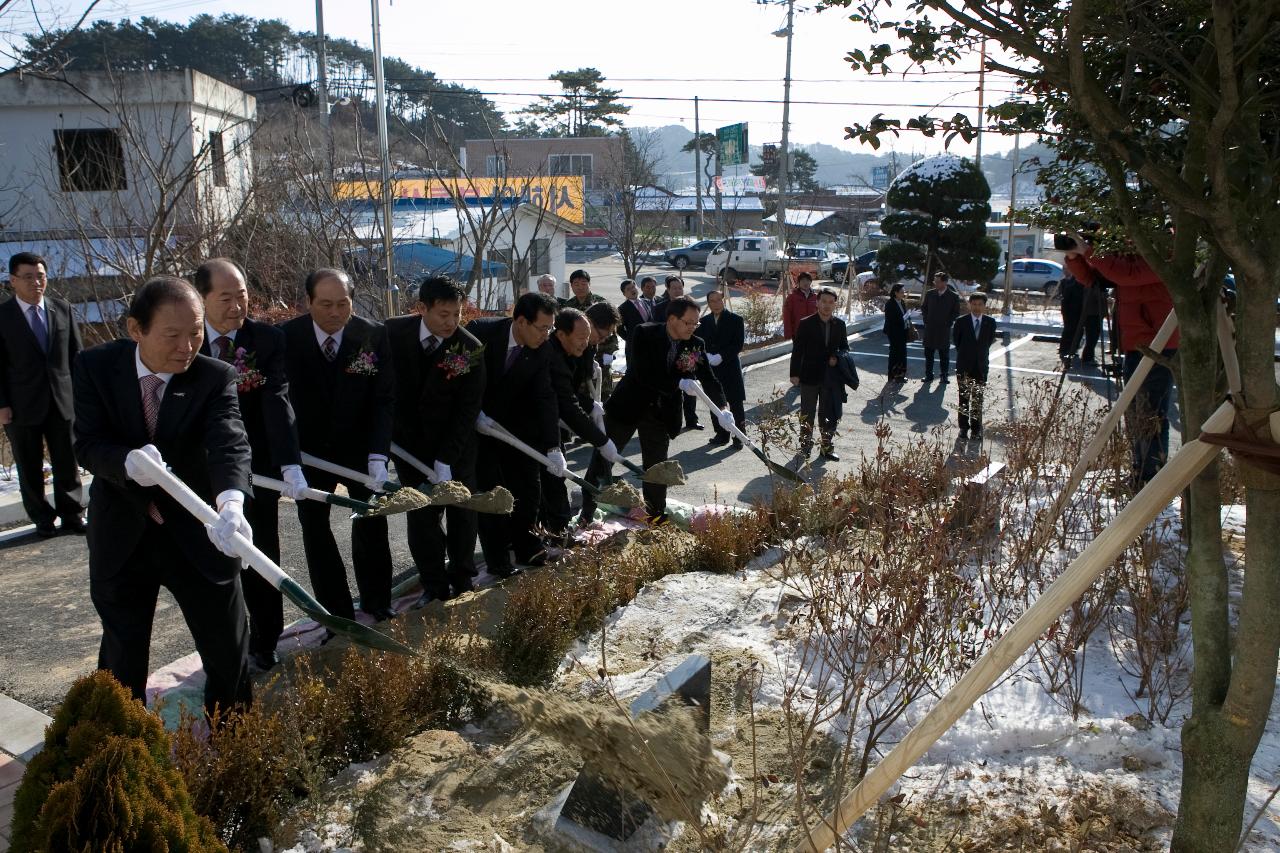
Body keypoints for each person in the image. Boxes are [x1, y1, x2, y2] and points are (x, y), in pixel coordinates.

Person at [73, 276, 253, 717]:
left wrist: (231, 503)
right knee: (121, 657)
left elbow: (229, 443)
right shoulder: (96, 367)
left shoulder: (214, 376)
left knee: (227, 650)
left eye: (195, 332)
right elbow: (88, 443)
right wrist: (125, 462)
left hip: (199, 531)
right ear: (136, 329)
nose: (187, 346)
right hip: (124, 533)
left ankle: (236, 752)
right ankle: (120, 754)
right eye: (172, 335)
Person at [195, 258, 305, 673]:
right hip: (197, 471)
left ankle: (265, 641)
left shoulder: (267, 339)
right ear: (202, 298)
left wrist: (289, 463)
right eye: (225, 297)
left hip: (252, 468)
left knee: (260, 554)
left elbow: (278, 402)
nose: (236, 304)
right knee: (210, 563)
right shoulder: (186, 340)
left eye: (241, 294)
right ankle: (224, 645)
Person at [282, 269, 396, 623]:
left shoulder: (371, 334)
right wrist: (289, 460)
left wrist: (378, 455)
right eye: (325, 304)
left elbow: (383, 399)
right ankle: (335, 613)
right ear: (308, 302)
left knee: (373, 521)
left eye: (342, 303)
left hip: (360, 448)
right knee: (315, 529)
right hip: (309, 452)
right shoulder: (286, 337)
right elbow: (278, 402)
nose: (335, 312)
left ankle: (377, 601)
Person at [582, 296, 729, 524]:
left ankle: (656, 516)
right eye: (688, 322)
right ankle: (586, 514)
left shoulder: (695, 344)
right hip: (628, 407)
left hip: (662, 414)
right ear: (672, 319)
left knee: (657, 469)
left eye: (695, 323)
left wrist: (723, 409)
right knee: (602, 463)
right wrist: (678, 384)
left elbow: (709, 380)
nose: (692, 327)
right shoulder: (645, 333)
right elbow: (643, 372)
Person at [387, 276, 485, 605]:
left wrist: (446, 458)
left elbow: (467, 410)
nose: (451, 322)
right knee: (422, 518)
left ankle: (462, 579)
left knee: (462, 514)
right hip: (409, 445)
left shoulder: (468, 348)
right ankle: (433, 585)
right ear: (422, 309)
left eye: (457, 314)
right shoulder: (392, 333)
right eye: (444, 314)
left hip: (455, 446)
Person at [1063, 236, 1179, 485]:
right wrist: (1076, 257)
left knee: (1151, 413)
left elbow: (1127, 275)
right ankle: (1140, 471)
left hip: (1158, 342)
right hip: (1135, 343)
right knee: (1134, 410)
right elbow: (1096, 278)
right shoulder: (1126, 257)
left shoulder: (1164, 250)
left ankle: (1152, 478)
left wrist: (1089, 250)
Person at [467, 291, 564, 574]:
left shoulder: (542, 349)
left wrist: (553, 447)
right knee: (492, 495)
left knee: (528, 489)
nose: (547, 334)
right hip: (476, 427)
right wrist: (474, 413)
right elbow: (458, 381)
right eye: (542, 327)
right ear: (521, 321)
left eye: (550, 328)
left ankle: (528, 549)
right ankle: (498, 562)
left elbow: (545, 396)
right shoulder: (480, 334)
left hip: (516, 428)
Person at [0, 252, 83, 537]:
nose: (36, 282)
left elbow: (76, 357)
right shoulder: (3, 316)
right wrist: (2, 405)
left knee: (67, 462)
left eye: (41, 276)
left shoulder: (62, 308)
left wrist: (83, 396)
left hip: (62, 400)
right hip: (21, 405)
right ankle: (43, 520)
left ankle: (72, 515)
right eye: (28, 277)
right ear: (13, 281)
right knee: (29, 466)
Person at [542, 307, 623, 536]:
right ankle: (554, 532)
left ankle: (555, 529)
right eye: (601, 334)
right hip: (542, 415)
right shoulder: (552, 354)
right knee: (550, 479)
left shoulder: (585, 347)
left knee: (553, 477)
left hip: (560, 408)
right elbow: (566, 400)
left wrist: (590, 405)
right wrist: (601, 441)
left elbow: (574, 387)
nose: (594, 341)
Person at [790, 288, 848, 460]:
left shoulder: (840, 325)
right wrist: (794, 373)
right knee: (807, 413)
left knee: (829, 413)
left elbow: (844, 348)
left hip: (831, 377)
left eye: (831, 302)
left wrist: (836, 358)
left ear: (835, 304)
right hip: (809, 376)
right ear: (817, 303)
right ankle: (805, 447)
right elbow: (798, 350)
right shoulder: (806, 323)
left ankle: (826, 448)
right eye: (824, 301)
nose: (827, 305)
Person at [697, 290, 746, 449]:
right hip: (712, 369)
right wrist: (707, 356)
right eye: (712, 301)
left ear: (723, 301)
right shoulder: (703, 322)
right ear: (708, 303)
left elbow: (737, 344)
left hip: (730, 366)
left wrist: (721, 356)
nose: (716, 304)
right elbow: (697, 343)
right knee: (716, 402)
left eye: (719, 300)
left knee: (735, 402)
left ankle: (739, 435)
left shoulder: (735, 319)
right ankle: (722, 434)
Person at [559, 268, 618, 400]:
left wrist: (608, 354)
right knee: (580, 395)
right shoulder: (568, 306)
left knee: (601, 394)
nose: (580, 287)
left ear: (589, 284)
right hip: (577, 356)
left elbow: (612, 333)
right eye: (576, 284)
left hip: (599, 356)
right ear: (571, 286)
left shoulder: (601, 303)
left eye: (583, 284)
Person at [952, 292, 998, 440]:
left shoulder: (990, 322)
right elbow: (957, 342)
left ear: (985, 306)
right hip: (964, 365)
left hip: (981, 366)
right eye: (974, 304)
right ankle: (963, 428)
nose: (977, 307)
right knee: (964, 398)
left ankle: (976, 429)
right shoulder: (961, 322)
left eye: (980, 304)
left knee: (978, 399)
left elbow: (989, 341)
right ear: (969, 304)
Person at [1057, 273, 1106, 366]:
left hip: (1083, 309)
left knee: (1078, 331)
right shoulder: (1085, 279)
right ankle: (1077, 353)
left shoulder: (1078, 278)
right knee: (1089, 333)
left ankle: (1069, 350)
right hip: (1087, 310)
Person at [921, 272, 961, 383]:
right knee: (928, 354)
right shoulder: (930, 294)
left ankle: (944, 375)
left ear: (945, 282)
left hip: (944, 330)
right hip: (930, 329)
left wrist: (948, 322)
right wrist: (926, 320)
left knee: (944, 355)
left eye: (938, 281)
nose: (935, 283)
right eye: (935, 281)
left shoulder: (953, 296)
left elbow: (956, 312)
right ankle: (929, 375)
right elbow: (924, 308)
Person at [883, 283, 911, 382]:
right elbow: (891, 319)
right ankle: (893, 376)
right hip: (894, 332)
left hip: (903, 331)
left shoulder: (902, 302)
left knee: (902, 354)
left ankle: (900, 376)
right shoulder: (890, 304)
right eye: (902, 292)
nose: (904, 293)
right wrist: (904, 318)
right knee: (895, 354)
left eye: (904, 291)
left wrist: (909, 315)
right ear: (895, 293)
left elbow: (905, 315)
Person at [782, 271, 818, 340]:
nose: (805, 282)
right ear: (798, 282)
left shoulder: (815, 297)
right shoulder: (792, 297)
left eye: (807, 280)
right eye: (803, 280)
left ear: (810, 282)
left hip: (813, 332)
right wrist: (788, 334)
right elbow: (787, 317)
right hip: (797, 333)